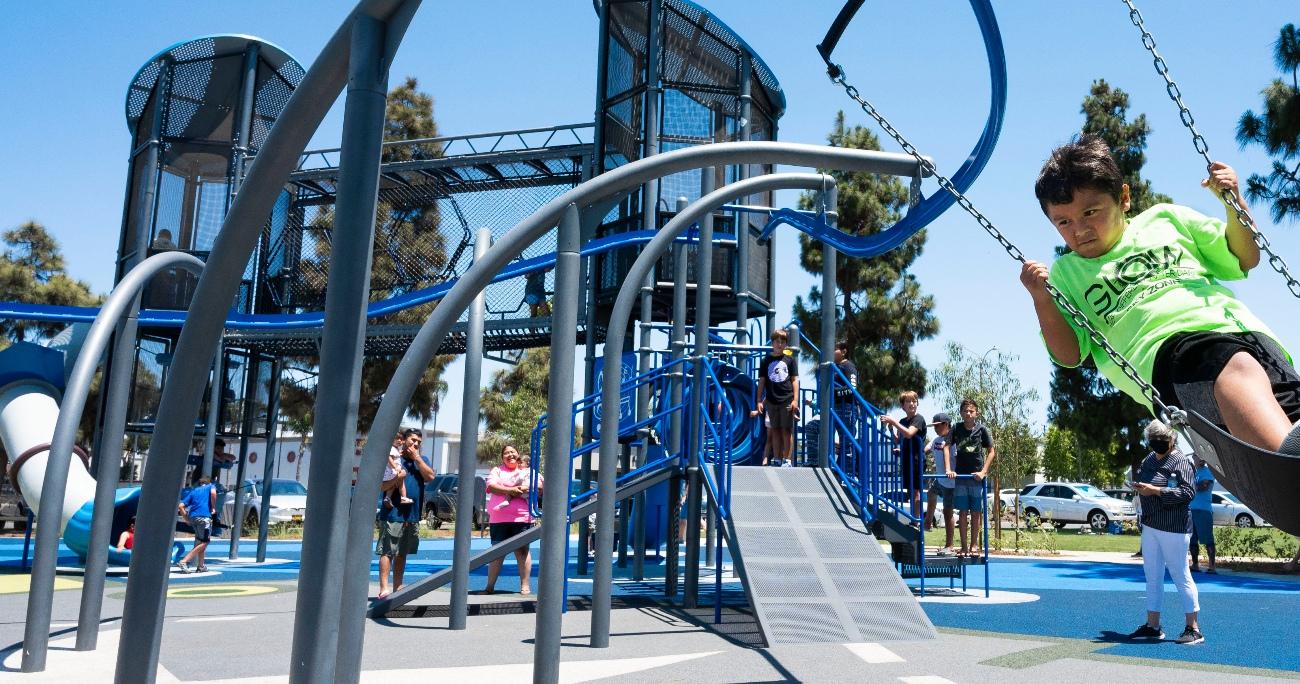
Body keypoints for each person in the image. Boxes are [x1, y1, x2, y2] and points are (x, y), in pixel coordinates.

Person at [1020, 135, 1300, 457]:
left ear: (1123, 198)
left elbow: (1245, 256)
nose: (1079, 229)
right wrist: (1041, 298)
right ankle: (1286, 465)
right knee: (1235, 367)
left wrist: (1233, 202)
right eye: (1064, 222)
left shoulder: (1166, 220)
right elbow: (1069, 355)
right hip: (1167, 355)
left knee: (1287, 401)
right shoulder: (1066, 274)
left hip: (1244, 331)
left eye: (1091, 212)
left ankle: (1286, 463)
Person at [1128, 420, 1203, 645]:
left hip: (1174, 527)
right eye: (1152, 441)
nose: (1157, 445)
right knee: (1152, 576)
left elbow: (1188, 492)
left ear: (1172, 440)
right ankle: (1153, 625)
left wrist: (1157, 491)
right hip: (1151, 525)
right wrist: (1140, 489)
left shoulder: (1181, 461)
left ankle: (1193, 628)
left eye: (1161, 441)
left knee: (1180, 575)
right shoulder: (1148, 459)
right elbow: (1145, 481)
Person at [375, 428, 435, 599]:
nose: (415, 444)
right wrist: (397, 478)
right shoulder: (394, 459)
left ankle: (398, 587)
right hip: (394, 513)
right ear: (404, 440)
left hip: (412, 515)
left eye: (419, 442)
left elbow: (430, 477)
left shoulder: (421, 460)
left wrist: (417, 458)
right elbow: (382, 486)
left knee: (402, 552)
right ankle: (384, 588)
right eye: (413, 440)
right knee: (388, 551)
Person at [484, 444, 541, 595]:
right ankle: (489, 586)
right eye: (506, 453)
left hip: (522, 517)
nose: (510, 455)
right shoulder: (497, 471)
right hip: (499, 518)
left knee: (522, 551)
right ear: (502, 457)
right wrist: (512, 490)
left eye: (513, 452)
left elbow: (540, 486)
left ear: (518, 455)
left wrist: (522, 488)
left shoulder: (527, 471)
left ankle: (525, 586)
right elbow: (491, 486)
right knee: (496, 553)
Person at [944, 398, 995, 557]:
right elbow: (946, 447)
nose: (968, 413)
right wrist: (948, 469)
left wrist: (983, 472)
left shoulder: (981, 430)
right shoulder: (956, 428)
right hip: (961, 475)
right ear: (961, 413)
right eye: (965, 411)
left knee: (976, 512)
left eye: (971, 411)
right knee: (963, 512)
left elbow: (991, 451)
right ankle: (964, 547)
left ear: (976, 413)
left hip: (976, 477)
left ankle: (974, 546)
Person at [753, 329, 799, 466]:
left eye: (783, 342)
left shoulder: (790, 360)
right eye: (777, 341)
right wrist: (759, 400)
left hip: (786, 399)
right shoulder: (766, 360)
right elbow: (761, 381)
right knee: (776, 430)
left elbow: (794, 380)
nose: (779, 344)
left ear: (786, 344)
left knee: (786, 430)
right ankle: (777, 458)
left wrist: (795, 399)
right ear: (772, 343)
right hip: (772, 400)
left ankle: (787, 460)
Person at [881, 391, 927, 517]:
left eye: (914, 401)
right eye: (908, 401)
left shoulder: (918, 419)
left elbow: (909, 433)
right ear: (903, 406)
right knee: (910, 491)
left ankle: (916, 519)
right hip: (906, 459)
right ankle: (913, 517)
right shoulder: (903, 420)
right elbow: (898, 439)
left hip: (917, 460)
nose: (912, 403)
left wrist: (894, 422)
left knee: (916, 491)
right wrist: (890, 427)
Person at [923, 413, 956, 556]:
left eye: (938, 426)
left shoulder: (953, 441)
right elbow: (925, 450)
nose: (935, 429)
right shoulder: (936, 440)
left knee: (948, 512)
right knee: (931, 493)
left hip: (951, 482)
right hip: (939, 479)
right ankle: (928, 522)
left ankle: (949, 545)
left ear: (946, 425)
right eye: (934, 426)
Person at [177, 476, 217, 573]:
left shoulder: (194, 491)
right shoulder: (211, 486)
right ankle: (184, 561)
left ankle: (201, 566)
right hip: (204, 518)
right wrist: (213, 507)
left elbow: (181, 506)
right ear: (208, 482)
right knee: (205, 542)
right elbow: (213, 493)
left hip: (193, 518)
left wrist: (186, 519)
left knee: (201, 541)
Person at [1188, 455, 1217, 574]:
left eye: (1203, 456)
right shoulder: (1191, 472)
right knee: (1192, 539)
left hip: (1203, 510)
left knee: (1208, 539)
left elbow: (1203, 486)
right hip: (1190, 510)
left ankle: (1212, 566)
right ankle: (1195, 565)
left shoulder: (1207, 472)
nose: (1201, 458)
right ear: (1193, 457)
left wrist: (1188, 486)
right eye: (1198, 456)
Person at [381, 434, 414, 506]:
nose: (399, 440)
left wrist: (399, 454)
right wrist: (395, 466)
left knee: (392, 486)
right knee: (401, 484)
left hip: (390, 472)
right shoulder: (391, 448)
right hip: (393, 471)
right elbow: (389, 458)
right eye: (397, 438)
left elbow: (395, 456)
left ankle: (387, 497)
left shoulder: (395, 449)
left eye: (401, 439)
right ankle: (404, 497)